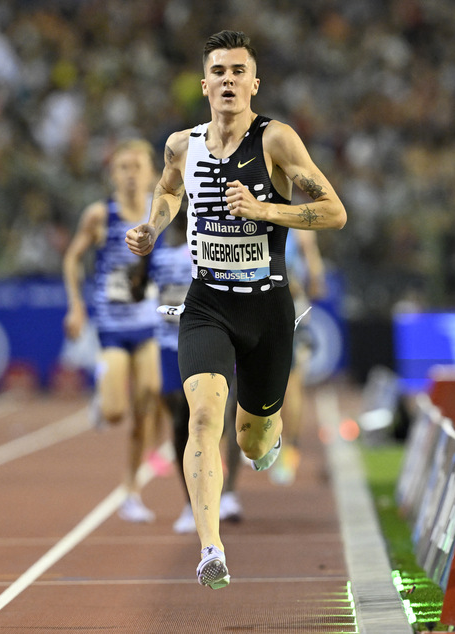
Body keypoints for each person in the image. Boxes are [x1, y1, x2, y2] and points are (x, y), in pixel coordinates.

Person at [125, 30, 346, 589]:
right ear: (204, 85)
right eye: (218, 71)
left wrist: (265, 209)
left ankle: (265, 442)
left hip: (268, 309)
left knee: (250, 440)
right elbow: (169, 189)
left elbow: (334, 212)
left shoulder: (276, 141)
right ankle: (211, 549)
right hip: (207, 306)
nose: (228, 80)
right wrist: (154, 226)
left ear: (253, 83)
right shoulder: (183, 144)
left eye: (237, 71)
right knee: (202, 417)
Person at [63, 138, 162, 524]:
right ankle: (103, 399)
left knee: (150, 399)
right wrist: (75, 305)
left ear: (152, 172)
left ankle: (132, 490)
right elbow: (72, 259)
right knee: (117, 413)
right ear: (113, 174)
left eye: (138, 167)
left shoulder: (163, 210)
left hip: (150, 325)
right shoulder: (99, 215)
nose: (132, 174)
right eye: (124, 167)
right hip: (112, 326)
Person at [148, 210, 245, 534]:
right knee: (179, 419)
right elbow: (136, 287)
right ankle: (191, 500)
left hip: (214, 336)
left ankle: (228, 491)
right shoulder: (159, 249)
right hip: (169, 342)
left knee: (225, 414)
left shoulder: (213, 236)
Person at [272, 229, 328, 486]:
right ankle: (284, 450)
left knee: (289, 384)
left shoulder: (296, 230)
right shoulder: (300, 229)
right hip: (283, 309)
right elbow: (318, 285)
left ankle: (286, 450)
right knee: (287, 383)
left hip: (284, 310)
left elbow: (316, 283)